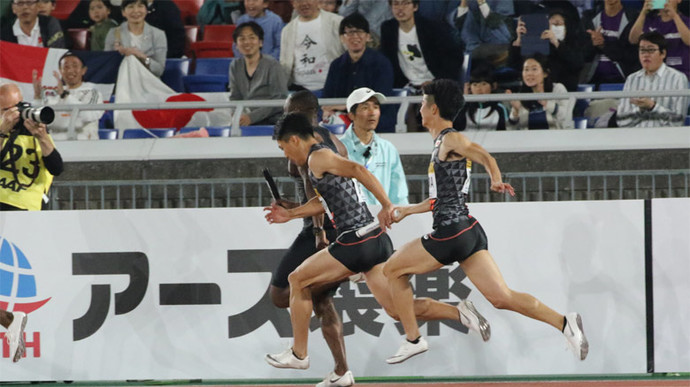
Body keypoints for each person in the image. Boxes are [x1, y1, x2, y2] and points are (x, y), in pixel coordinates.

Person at [263, 111, 489, 372]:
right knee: (396, 309)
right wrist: (290, 213)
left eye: (283, 148)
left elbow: (359, 170)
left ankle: (299, 354)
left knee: (296, 280)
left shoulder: (317, 156)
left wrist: (386, 204)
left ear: (293, 140)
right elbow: (324, 202)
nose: (286, 156)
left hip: (355, 241)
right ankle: (460, 312)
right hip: (374, 240)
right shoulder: (321, 160)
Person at [382, 78, 589, 364]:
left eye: (421, 103)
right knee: (502, 297)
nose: (419, 109)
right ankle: (565, 323)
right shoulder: (441, 143)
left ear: (433, 109)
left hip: (451, 233)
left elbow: (482, 153)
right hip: (466, 231)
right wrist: (408, 210)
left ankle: (413, 339)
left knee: (392, 270)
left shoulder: (450, 138)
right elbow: (441, 198)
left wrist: (495, 178)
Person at [268, 90, 352, 387]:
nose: (284, 117)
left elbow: (315, 191)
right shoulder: (335, 141)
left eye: (288, 111)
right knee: (320, 297)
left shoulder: (307, 147)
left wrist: (318, 232)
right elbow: (328, 191)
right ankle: (342, 372)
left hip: (323, 230)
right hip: (338, 224)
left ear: (303, 113)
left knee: (281, 294)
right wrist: (295, 208)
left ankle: (300, 353)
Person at [380, 0, 464, 131]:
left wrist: (436, 82)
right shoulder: (388, 29)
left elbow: (454, 57)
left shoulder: (432, 28)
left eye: (405, 3)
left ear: (415, 6)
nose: (400, 9)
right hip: (407, 87)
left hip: (436, 84)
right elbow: (387, 63)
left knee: (433, 114)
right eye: (396, 4)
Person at [321, 12, 395, 131]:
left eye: (359, 32)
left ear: (368, 36)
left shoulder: (381, 63)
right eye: (349, 32)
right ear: (342, 38)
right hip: (343, 122)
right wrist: (329, 109)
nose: (355, 37)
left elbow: (380, 98)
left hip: (376, 122)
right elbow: (327, 99)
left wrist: (345, 106)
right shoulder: (336, 65)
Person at [339, 87, 409, 205]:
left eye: (376, 107)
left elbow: (399, 195)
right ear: (351, 115)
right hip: (351, 220)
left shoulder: (388, 149)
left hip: (384, 218)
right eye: (365, 108)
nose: (372, 113)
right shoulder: (339, 148)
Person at [0, 83, 63, 211]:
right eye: (7, 110)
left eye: (17, 107)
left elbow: (57, 168)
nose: (15, 114)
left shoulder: (34, 129)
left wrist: (42, 137)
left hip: (29, 206)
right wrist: (3, 131)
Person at [615, 31, 688, 127]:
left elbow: (678, 122)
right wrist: (640, 110)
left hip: (665, 139)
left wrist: (652, 106)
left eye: (651, 50)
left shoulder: (678, 78)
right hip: (635, 138)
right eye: (642, 50)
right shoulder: (632, 79)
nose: (646, 55)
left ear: (663, 54)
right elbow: (621, 122)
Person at [32, 51, 104, 140]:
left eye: (75, 66)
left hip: (84, 146)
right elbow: (41, 121)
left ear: (83, 70)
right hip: (55, 147)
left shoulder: (93, 93)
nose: (70, 70)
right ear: (60, 71)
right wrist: (37, 97)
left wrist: (65, 96)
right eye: (66, 67)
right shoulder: (53, 94)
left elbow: (89, 116)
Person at [510, 8, 585, 92]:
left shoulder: (573, 44)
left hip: (563, 91)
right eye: (550, 24)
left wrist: (557, 43)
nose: (553, 28)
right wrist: (519, 41)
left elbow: (577, 64)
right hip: (533, 91)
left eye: (558, 24)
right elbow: (514, 65)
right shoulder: (535, 45)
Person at [229, 22, 289, 126]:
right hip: (248, 119)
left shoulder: (272, 65)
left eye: (252, 38)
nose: (247, 42)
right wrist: (237, 116)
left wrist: (252, 118)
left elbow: (280, 100)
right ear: (236, 45)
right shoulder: (235, 65)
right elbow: (235, 97)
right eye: (242, 39)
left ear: (260, 42)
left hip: (273, 120)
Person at [279, 0, 345, 91]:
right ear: (293, 3)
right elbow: (284, 62)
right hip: (299, 88)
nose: (304, 4)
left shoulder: (336, 22)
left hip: (332, 85)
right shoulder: (287, 30)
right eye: (299, 1)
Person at [506, 53, 574, 130]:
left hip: (555, 139)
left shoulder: (558, 89)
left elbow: (567, 118)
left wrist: (547, 103)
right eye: (526, 69)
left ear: (545, 73)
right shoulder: (521, 96)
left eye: (534, 69)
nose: (529, 73)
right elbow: (510, 130)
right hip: (529, 140)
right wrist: (515, 111)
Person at [581, 0, 640, 86]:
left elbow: (631, 54)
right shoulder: (588, 17)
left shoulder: (633, 18)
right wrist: (592, 43)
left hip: (623, 80)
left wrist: (603, 45)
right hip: (592, 80)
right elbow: (581, 54)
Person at [104, 0, 167, 77]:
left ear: (146, 10)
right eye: (131, 7)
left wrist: (142, 56)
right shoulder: (113, 33)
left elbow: (159, 70)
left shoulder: (158, 35)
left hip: (148, 81)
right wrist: (117, 56)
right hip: (122, 80)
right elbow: (107, 66)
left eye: (140, 6)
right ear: (123, 12)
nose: (136, 11)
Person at [628, 0, 690, 77]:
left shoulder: (687, 21)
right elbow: (633, 39)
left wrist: (674, 15)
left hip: (683, 73)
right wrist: (643, 13)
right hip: (655, 74)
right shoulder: (650, 21)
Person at [454, 65, 508, 130]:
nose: (479, 88)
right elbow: (456, 128)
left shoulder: (499, 108)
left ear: (493, 86)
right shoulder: (465, 107)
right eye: (475, 85)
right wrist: (465, 100)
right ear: (469, 87)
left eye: (484, 84)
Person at [0, 0, 65, 48]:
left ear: (37, 7)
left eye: (29, 3)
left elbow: (57, 52)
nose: (25, 7)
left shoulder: (50, 23)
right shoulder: (5, 31)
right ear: (13, 8)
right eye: (20, 3)